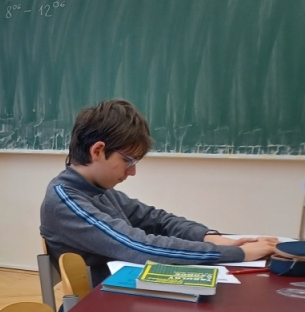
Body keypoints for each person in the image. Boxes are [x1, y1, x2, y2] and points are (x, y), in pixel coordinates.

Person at [40, 99, 278, 286]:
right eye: (128, 161)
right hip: (100, 310)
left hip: (127, 293)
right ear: (98, 151)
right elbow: (139, 247)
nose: (132, 172)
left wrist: (211, 237)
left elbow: (157, 219)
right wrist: (236, 253)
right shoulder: (65, 201)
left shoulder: (98, 189)